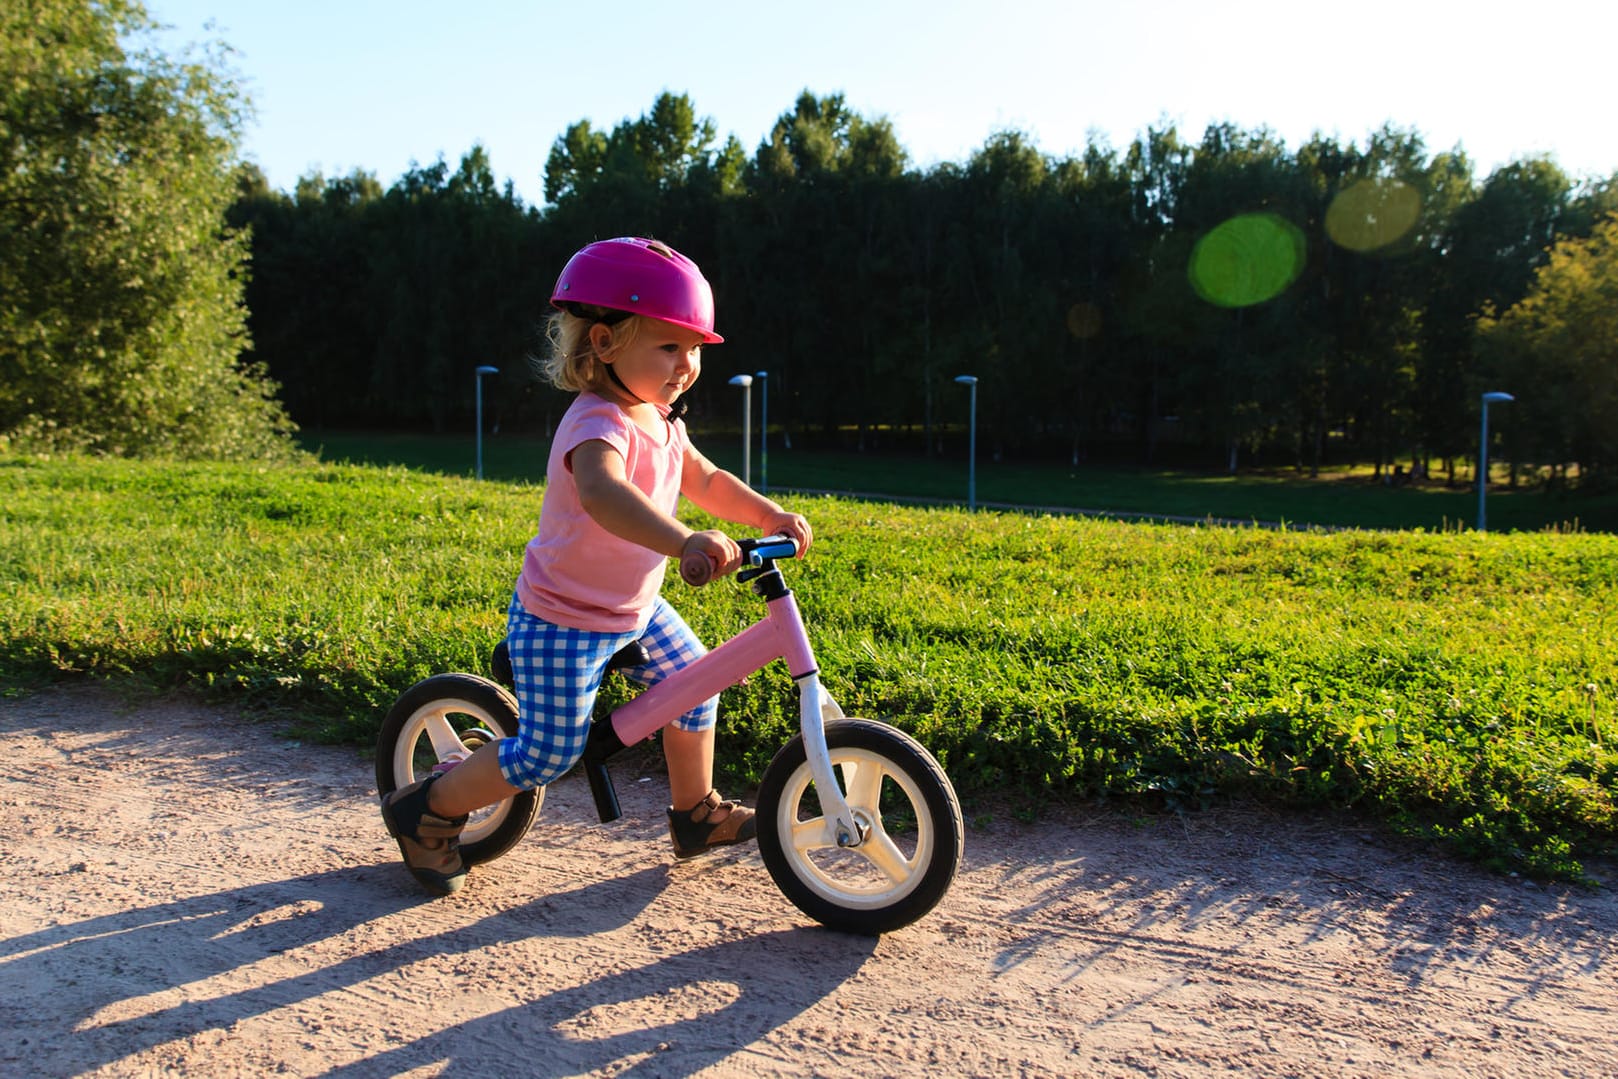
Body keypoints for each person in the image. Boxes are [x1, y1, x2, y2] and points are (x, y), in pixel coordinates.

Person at [381, 237, 813, 896]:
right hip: (563, 617)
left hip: (631, 610)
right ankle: (429, 809)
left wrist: (766, 516)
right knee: (549, 753)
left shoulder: (661, 419)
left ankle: (695, 814)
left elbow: (707, 477)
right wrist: (683, 541)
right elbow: (606, 497)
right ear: (606, 342)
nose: (686, 364)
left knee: (697, 686)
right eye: (669, 346)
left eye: (694, 349)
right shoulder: (596, 424)